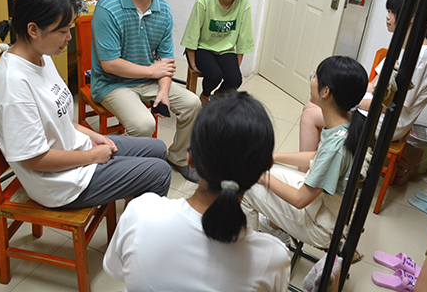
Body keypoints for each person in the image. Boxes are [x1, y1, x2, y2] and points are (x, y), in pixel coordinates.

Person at [0, 0, 171, 210]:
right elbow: (34, 160)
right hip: (60, 184)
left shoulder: (41, 57)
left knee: (157, 149)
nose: (68, 38)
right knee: (160, 172)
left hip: (76, 151)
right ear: (33, 30)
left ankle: (137, 214)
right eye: (62, 31)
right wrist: (93, 156)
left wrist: (93, 136)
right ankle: (137, 229)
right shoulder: (13, 84)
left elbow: (58, 117)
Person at [103, 92, 291, 291]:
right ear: (265, 168)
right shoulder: (273, 258)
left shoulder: (141, 212)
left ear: (191, 159)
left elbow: (116, 271)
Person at [90, 0, 201, 183]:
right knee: (143, 125)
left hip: (148, 80)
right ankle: (121, 170)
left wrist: (163, 91)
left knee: (192, 103)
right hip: (112, 83)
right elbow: (109, 64)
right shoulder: (108, 7)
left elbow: (166, 60)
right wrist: (152, 71)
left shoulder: (164, 9)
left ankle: (178, 157)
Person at [241, 56, 368, 248]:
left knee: (246, 184)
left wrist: (262, 177)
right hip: (323, 206)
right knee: (264, 171)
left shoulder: (336, 146)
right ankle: (273, 230)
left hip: (321, 225)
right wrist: (273, 157)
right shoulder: (347, 122)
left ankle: (247, 252)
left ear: (326, 92)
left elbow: (300, 200)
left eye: (315, 76)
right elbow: (318, 157)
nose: (312, 80)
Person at [299, 0, 427, 161]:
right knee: (310, 106)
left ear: (411, 17)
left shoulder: (420, 59)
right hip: (375, 107)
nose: (388, 17)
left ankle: (307, 169)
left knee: (310, 116)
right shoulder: (404, 45)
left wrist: (352, 102)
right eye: (388, 11)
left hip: (388, 122)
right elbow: (373, 84)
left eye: (392, 12)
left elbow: (389, 106)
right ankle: (317, 161)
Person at [181, 0, 255, 106]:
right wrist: (193, 64)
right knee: (214, 75)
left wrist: (235, 66)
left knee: (235, 79)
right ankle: (205, 95)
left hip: (226, 49)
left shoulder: (243, 0)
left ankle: (218, 94)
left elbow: (244, 35)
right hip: (204, 48)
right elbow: (192, 32)